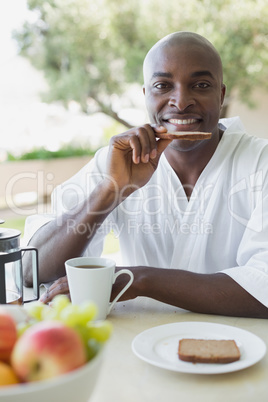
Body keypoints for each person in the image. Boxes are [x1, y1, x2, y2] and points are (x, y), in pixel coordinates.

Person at [23, 31, 268, 318]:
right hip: (136, 351)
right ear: (145, 95)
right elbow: (32, 269)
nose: (181, 100)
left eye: (201, 85)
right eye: (163, 85)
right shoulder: (116, 161)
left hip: (242, 353)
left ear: (221, 94)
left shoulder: (259, 163)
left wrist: (138, 280)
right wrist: (111, 189)